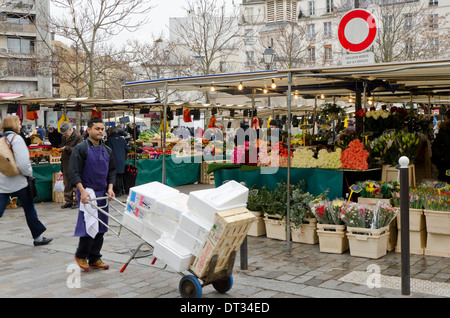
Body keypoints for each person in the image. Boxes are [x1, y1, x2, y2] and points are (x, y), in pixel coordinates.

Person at [69, 117, 116, 271]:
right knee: (89, 225)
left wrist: (110, 188)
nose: (100, 131)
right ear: (88, 130)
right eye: (97, 128)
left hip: (102, 191)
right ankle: (81, 255)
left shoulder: (107, 149)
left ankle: (95, 257)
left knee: (101, 226)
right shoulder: (81, 148)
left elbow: (112, 171)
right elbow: (74, 172)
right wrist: (82, 191)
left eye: (102, 129)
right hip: (87, 191)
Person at [0, 115, 52, 246]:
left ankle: (38, 236)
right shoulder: (16, 139)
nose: (20, 125)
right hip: (19, 181)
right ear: (14, 124)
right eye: (18, 123)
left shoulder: (1, 139)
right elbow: (23, 164)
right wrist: (29, 174)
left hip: (2, 181)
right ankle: (38, 237)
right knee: (29, 209)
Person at [60, 122, 83, 209]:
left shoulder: (78, 137)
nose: (65, 135)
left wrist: (67, 148)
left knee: (76, 182)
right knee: (67, 183)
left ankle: (77, 201)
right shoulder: (63, 137)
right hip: (65, 163)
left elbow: (79, 150)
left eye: (65, 133)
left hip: (74, 163)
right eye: (63, 133)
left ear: (70, 130)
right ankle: (68, 201)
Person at [105, 126, 128, 196]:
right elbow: (126, 150)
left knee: (113, 175)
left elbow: (107, 151)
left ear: (110, 132)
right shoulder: (122, 140)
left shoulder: (109, 141)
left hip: (113, 160)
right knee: (119, 175)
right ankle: (120, 191)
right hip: (121, 160)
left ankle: (116, 191)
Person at [431, 110, 450, 183]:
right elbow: (435, 147)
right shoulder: (444, 130)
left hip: (445, 164)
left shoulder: (443, 130)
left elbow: (435, 147)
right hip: (446, 164)